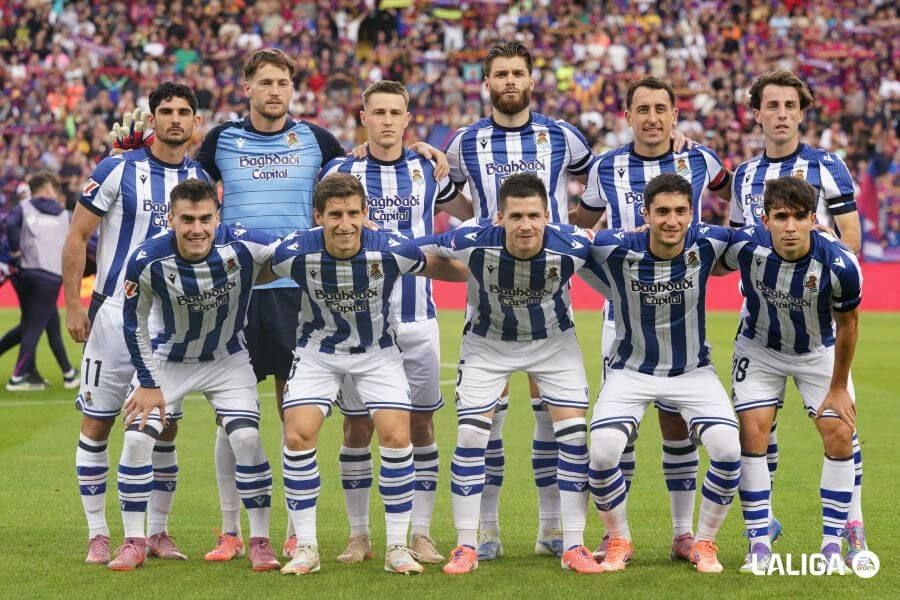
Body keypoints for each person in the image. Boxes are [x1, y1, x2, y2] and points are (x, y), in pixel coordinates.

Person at [191, 49, 448, 559]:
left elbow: (357, 165)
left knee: (297, 414)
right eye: (264, 81)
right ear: (247, 86)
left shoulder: (318, 141)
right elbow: (187, 190)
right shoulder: (220, 138)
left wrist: (414, 145)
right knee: (231, 415)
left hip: (305, 294)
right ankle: (231, 529)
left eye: (282, 82)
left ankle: (295, 532)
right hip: (242, 290)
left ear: (292, 88)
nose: (273, 90)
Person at [271, 173, 468, 576]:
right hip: (317, 353)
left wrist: (478, 264)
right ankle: (306, 547)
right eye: (336, 214)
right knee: (297, 433)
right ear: (318, 217)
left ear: (366, 214)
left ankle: (397, 546)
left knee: (397, 435)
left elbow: (448, 269)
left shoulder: (392, 250)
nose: (345, 223)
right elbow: (253, 270)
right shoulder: (293, 253)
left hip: (377, 353)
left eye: (353, 213)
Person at [443, 40, 594, 560]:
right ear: (486, 83)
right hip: (488, 284)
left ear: (532, 79)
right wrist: (479, 227)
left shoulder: (564, 137)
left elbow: (598, 186)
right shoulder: (466, 141)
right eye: (500, 74)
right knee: (491, 416)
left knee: (553, 415)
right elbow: (454, 197)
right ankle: (485, 530)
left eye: (517, 73)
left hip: (551, 286)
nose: (510, 81)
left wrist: (570, 237)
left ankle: (553, 529)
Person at [571, 76, 733, 561]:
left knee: (677, 425)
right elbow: (585, 224)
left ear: (674, 114)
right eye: (642, 109)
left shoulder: (700, 158)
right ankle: (613, 531)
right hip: (622, 313)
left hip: (682, 302)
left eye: (661, 109)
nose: (653, 118)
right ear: (628, 115)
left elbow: (738, 189)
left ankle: (685, 533)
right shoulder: (607, 165)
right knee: (617, 440)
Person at [320, 80, 473, 565]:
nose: (387, 120)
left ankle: (422, 533)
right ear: (362, 116)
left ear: (408, 120)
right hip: (358, 325)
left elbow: (467, 213)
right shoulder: (340, 170)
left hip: (418, 316)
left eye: (396, 113)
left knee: (422, 425)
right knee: (358, 428)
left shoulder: (427, 168)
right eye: (378, 112)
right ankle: (359, 535)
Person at [421, 174, 601, 575]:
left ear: (548, 216)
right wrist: (371, 237)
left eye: (534, 216)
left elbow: (622, 246)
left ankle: (573, 543)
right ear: (499, 217)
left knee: (573, 435)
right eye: (516, 216)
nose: (525, 225)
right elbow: (413, 247)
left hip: (554, 344)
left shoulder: (573, 243)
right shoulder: (470, 238)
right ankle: (467, 543)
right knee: (471, 434)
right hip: (488, 344)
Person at [62, 82, 209, 565]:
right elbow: (78, 235)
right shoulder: (117, 168)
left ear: (194, 122)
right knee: (97, 423)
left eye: (183, 112)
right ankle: (98, 533)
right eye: (165, 111)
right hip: (111, 316)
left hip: (173, 321)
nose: (174, 119)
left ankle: (158, 532)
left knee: (163, 428)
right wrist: (73, 304)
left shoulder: (201, 178)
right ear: (151, 118)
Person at [729, 69, 865, 553]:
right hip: (762, 328)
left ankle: (852, 527)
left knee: (841, 426)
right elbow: (735, 246)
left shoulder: (828, 166)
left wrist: (810, 261)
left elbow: (851, 240)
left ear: (801, 113)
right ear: (758, 113)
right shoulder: (744, 175)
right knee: (758, 432)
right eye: (773, 106)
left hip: (816, 324)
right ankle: (761, 530)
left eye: (790, 106)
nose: (782, 114)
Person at [112, 178, 279, 572]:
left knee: (247, 437)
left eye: (206, 218)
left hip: (227, 358)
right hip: (168, 360)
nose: (197, 229)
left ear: (217, 217)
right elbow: (133, 325)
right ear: (171, 218)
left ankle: (258, 541)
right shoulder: (146, 259)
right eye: (187, 219)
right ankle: (135, 540)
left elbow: (295, 248)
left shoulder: (242, 243)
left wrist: (352, 231)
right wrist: (149, 385)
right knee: (137, 440)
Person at [582, 173, 741, 574]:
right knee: (601, 454)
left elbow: (766, 233)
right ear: (646, 214)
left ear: (692, 214)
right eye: (663, 212)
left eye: (680, 211)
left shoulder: (708, 242)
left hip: (693, 371)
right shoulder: (616, 246)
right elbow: (571, 239)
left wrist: (822, 232)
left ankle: (702, 540)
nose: (672, 220)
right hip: (630, 371)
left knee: (728, 450)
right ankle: (618, 538)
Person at [3, 172, 78, 390]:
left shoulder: (23, 208)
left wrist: (17, 251)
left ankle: (67, 372)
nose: (55, 193)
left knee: (45, 321)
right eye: (53, 189)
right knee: (33, 326)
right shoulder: (64, 214)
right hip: (50, 275)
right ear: (46, 189)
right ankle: (18, 377)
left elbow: (11, 225)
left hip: (26, 273)